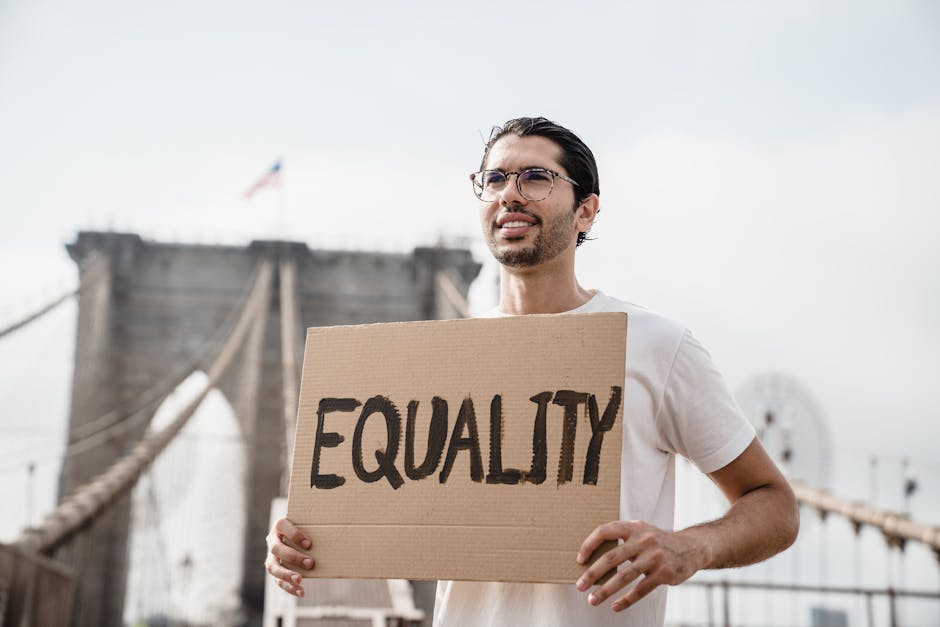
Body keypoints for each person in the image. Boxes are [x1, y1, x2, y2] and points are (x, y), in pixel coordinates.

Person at [265, 117, 799, 625]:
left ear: (587, 212)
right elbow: (391, 515)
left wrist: (690, 547)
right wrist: (309, 538)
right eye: (494, 179)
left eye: (536, 177)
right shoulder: (438, 360)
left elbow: (774, 505)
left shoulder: (657, 345)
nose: (510, 193)